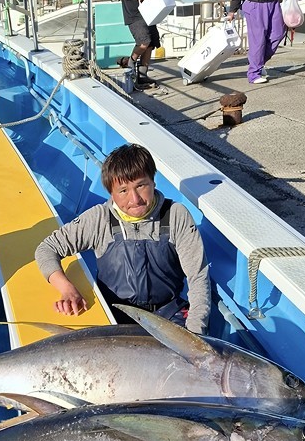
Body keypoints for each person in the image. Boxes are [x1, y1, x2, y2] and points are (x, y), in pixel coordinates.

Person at [34, 143, 210, 334]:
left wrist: (194, 336)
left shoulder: (176, 214)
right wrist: (67, 288)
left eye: (141, 185)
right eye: (123, 191)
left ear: (153, 182)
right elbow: (47, 248)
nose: (135, 199)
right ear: (111, 192)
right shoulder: (99, 218)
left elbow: (198, 277)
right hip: (113, 312)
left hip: (167, 313)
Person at [113, 0, 160, 90]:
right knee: (144, 41)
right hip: (134, 14)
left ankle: (143, 75)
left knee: (151, 43)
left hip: (149, 12)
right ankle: (131, 63)